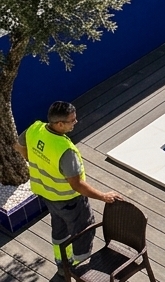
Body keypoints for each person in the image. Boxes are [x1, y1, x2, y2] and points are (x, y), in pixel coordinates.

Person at [16, 101, 121, 268]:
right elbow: (77, 185)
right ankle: (80, 271)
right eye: (72, 120)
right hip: (69, 201)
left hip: (46, 195)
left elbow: (19, 144)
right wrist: (103, 196)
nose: (76, 122)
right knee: (84, 231)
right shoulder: (65, 151)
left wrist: (30, 157)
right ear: (59, 124)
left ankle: (62, 264)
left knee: (59, 228)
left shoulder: (35, 129)